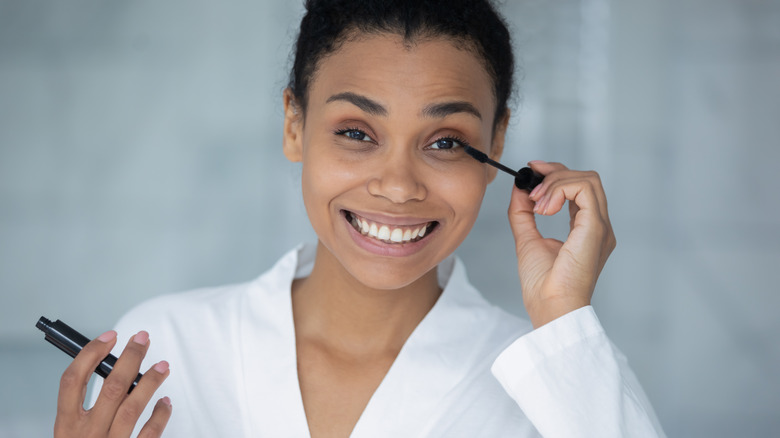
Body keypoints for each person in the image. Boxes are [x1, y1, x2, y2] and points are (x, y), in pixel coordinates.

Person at [52, 0, 666, 436]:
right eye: (355, 132)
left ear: (496, 144)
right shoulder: (165, 346)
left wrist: (563, 319)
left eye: (446, 141)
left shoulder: (556, 382)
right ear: (295, 125)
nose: (397, 186)